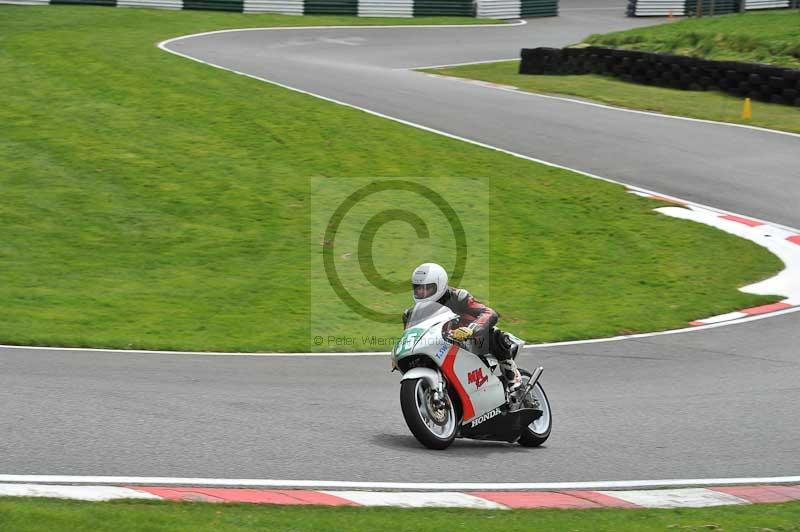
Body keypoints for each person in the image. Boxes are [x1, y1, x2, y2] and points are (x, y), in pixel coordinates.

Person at [404, 262, 523, 390]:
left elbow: (489, 313)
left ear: (439, 285)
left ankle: (512, 376)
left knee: (494, 334)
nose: (422, 292)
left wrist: (471, 329)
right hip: (438, 349)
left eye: (427, 288)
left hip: (468, 343)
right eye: (418, 288)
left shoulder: (457, 297)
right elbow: (411, 336)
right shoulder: (410, 314)